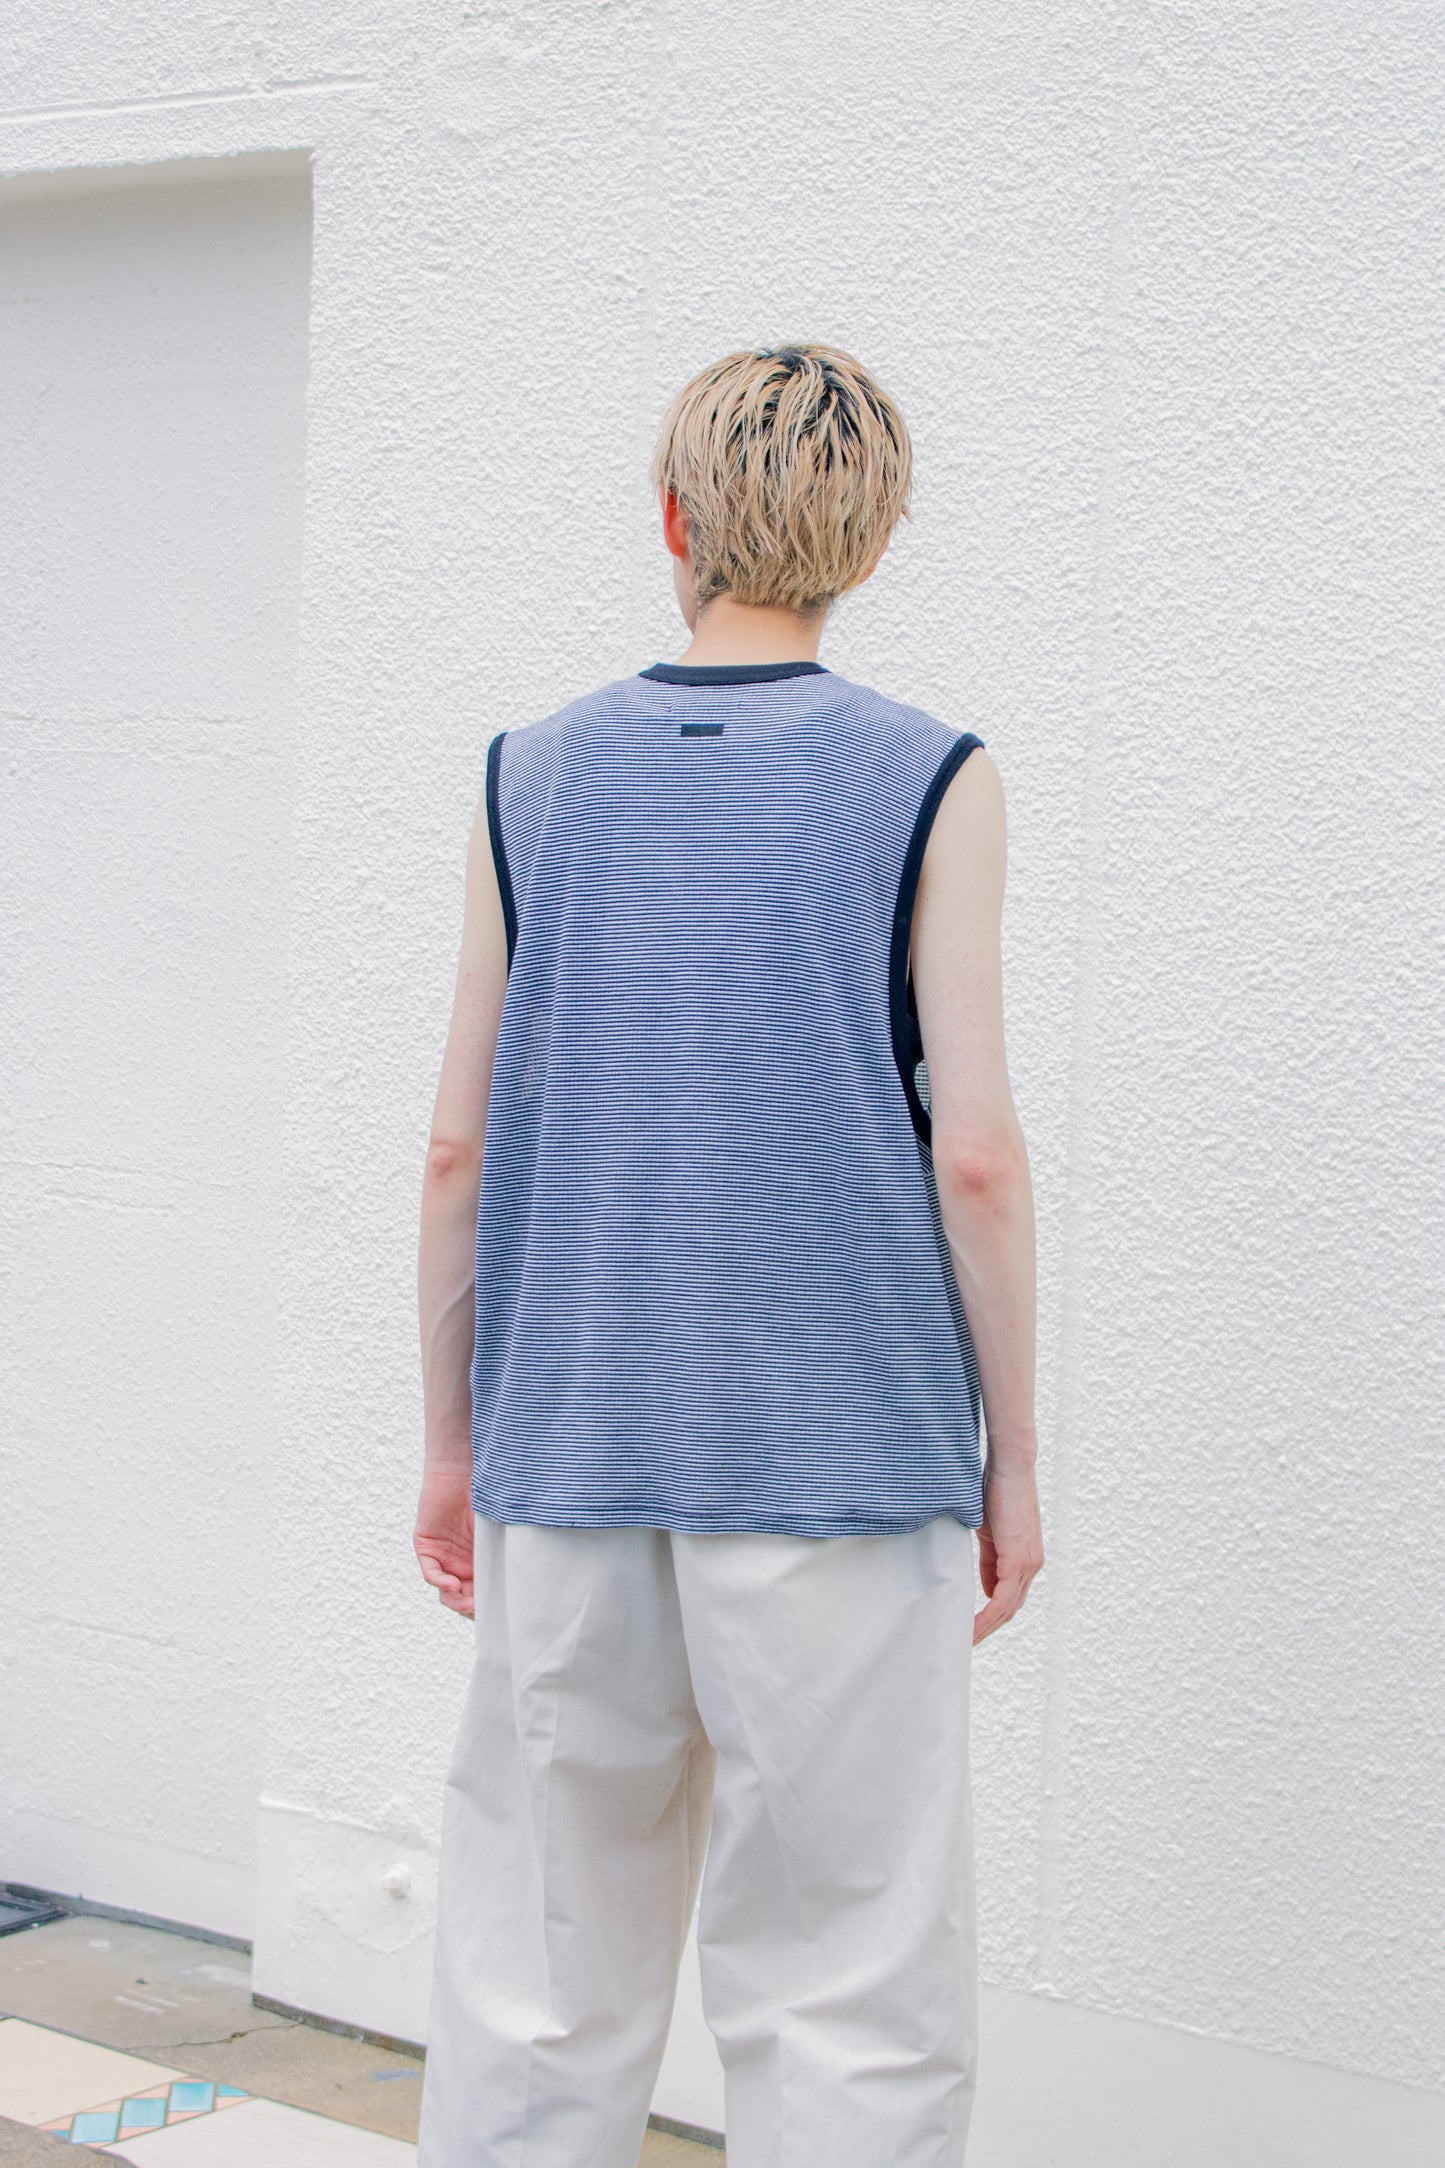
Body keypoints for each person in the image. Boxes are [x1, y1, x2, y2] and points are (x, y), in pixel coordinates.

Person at [413, 344, 1043, 2168]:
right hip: (842, 1470)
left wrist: (452, 1444)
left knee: (540, 1981)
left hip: (569, 1453)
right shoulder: (931, 778)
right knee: (848, 1993)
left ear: (673, 517)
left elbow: (456, 1146)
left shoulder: (528, 775)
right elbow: (975, 1159)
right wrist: (1011, 1460)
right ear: (873, 541)